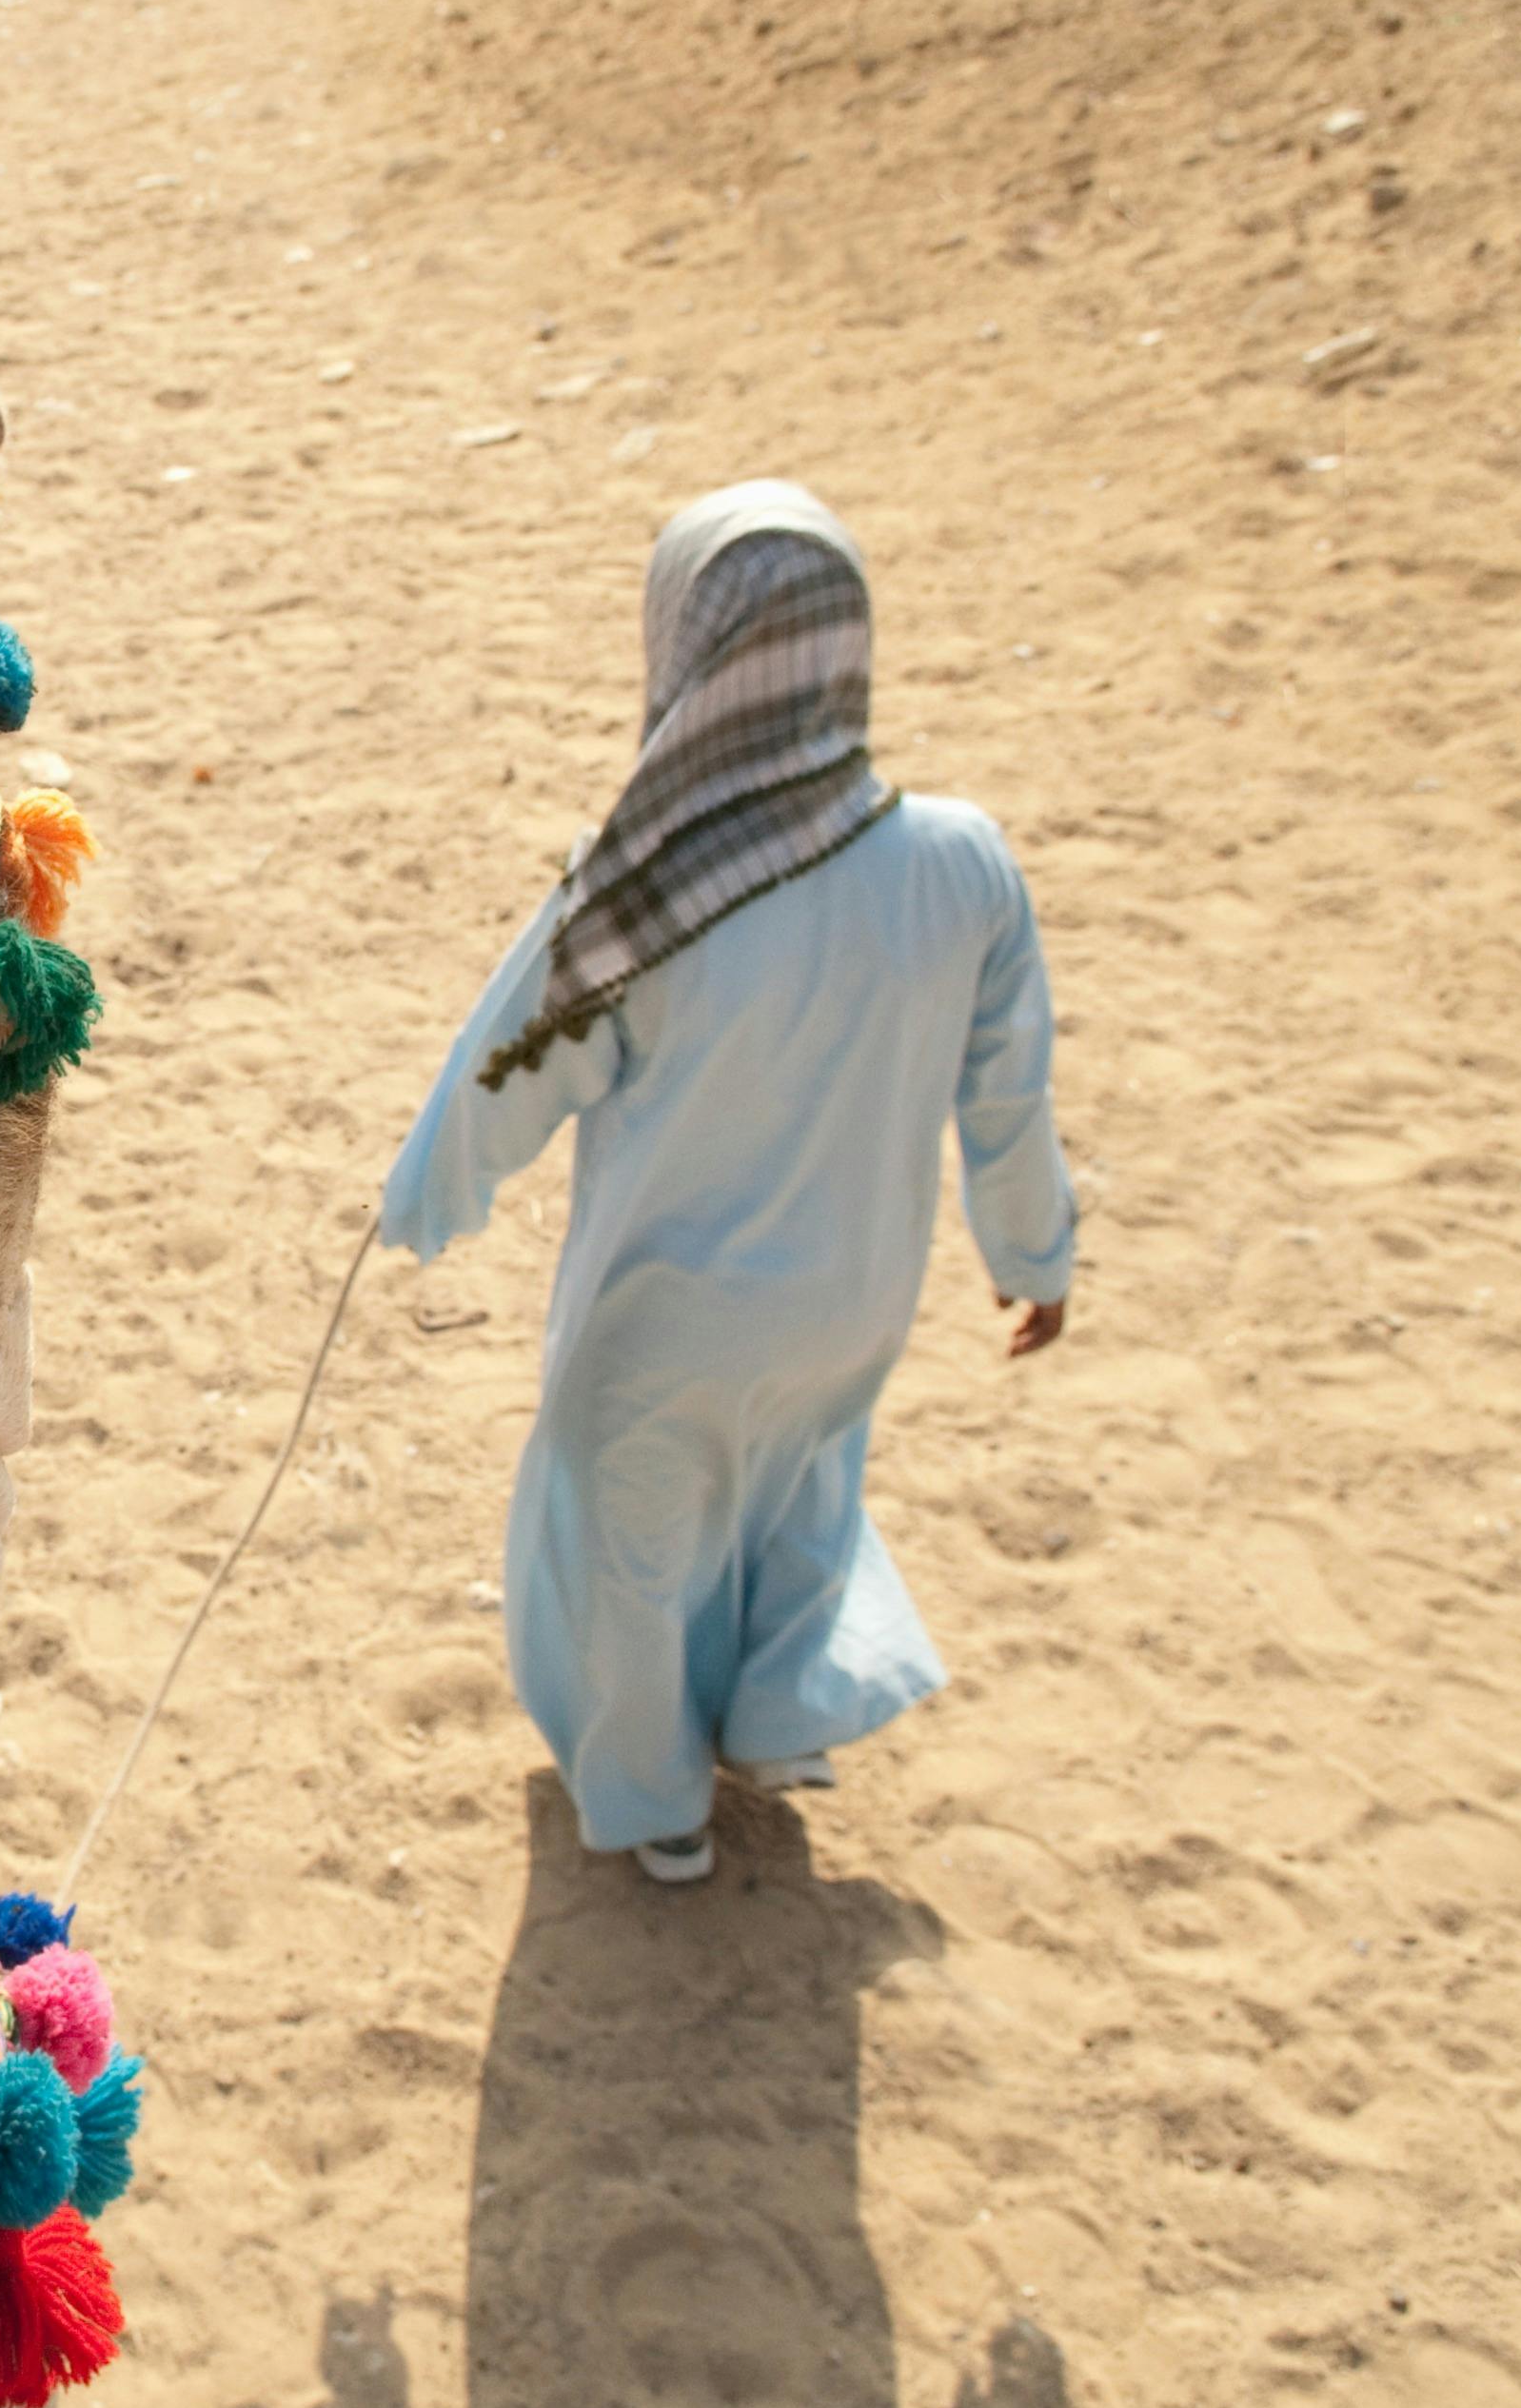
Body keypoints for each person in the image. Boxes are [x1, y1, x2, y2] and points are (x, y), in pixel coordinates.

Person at [380, 481, 1076, 1885]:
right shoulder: (963, 860)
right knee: (798, 1493)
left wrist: (424, 1201)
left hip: (666, 1319)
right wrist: (1035, 1254)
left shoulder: (649, 885)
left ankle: (657, 1814)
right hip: (855, 1303)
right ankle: (773, 1729)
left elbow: (511, 1063)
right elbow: (1009, 1092)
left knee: (625, 1547)